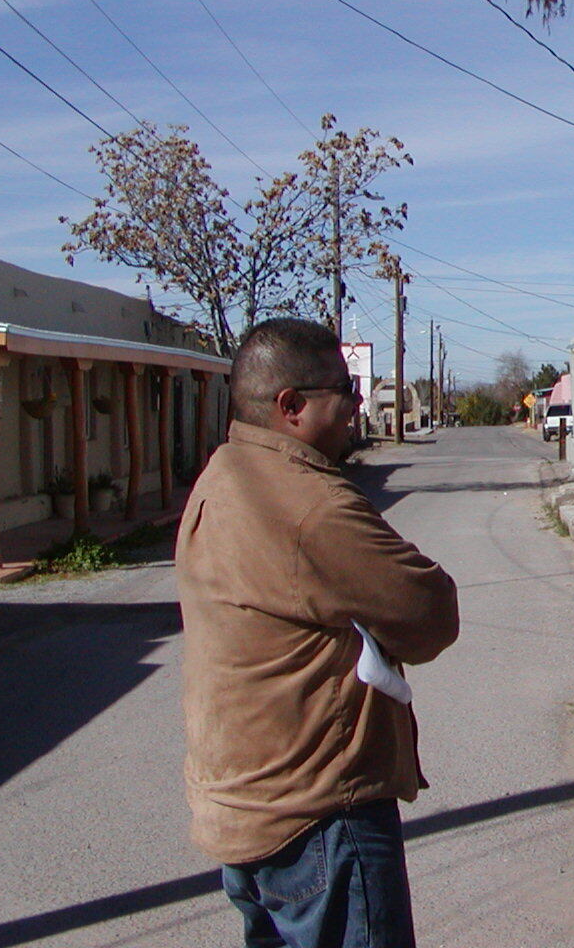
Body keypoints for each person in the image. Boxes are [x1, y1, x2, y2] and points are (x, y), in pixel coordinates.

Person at [177, 317, 459, 948]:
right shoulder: (308, 505)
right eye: (346, 390)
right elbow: (432, 615)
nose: (360, 405)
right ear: (291, 406)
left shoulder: (220, 478)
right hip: (320, 821)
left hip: (247, 818)